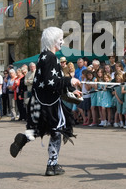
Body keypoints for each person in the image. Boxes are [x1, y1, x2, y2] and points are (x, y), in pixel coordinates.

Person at [10, 27, 81, 176]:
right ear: (53, 40)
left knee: (39, 128)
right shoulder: (50, 57)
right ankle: (52, 165)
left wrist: (71, 91)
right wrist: (70, 80)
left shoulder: (43, 56)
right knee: (57, 131)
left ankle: (23, 139)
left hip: (39, 100)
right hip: (49, 103)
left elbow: (50, 82)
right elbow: (51, 82)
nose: (62, 41)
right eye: (60, 39)